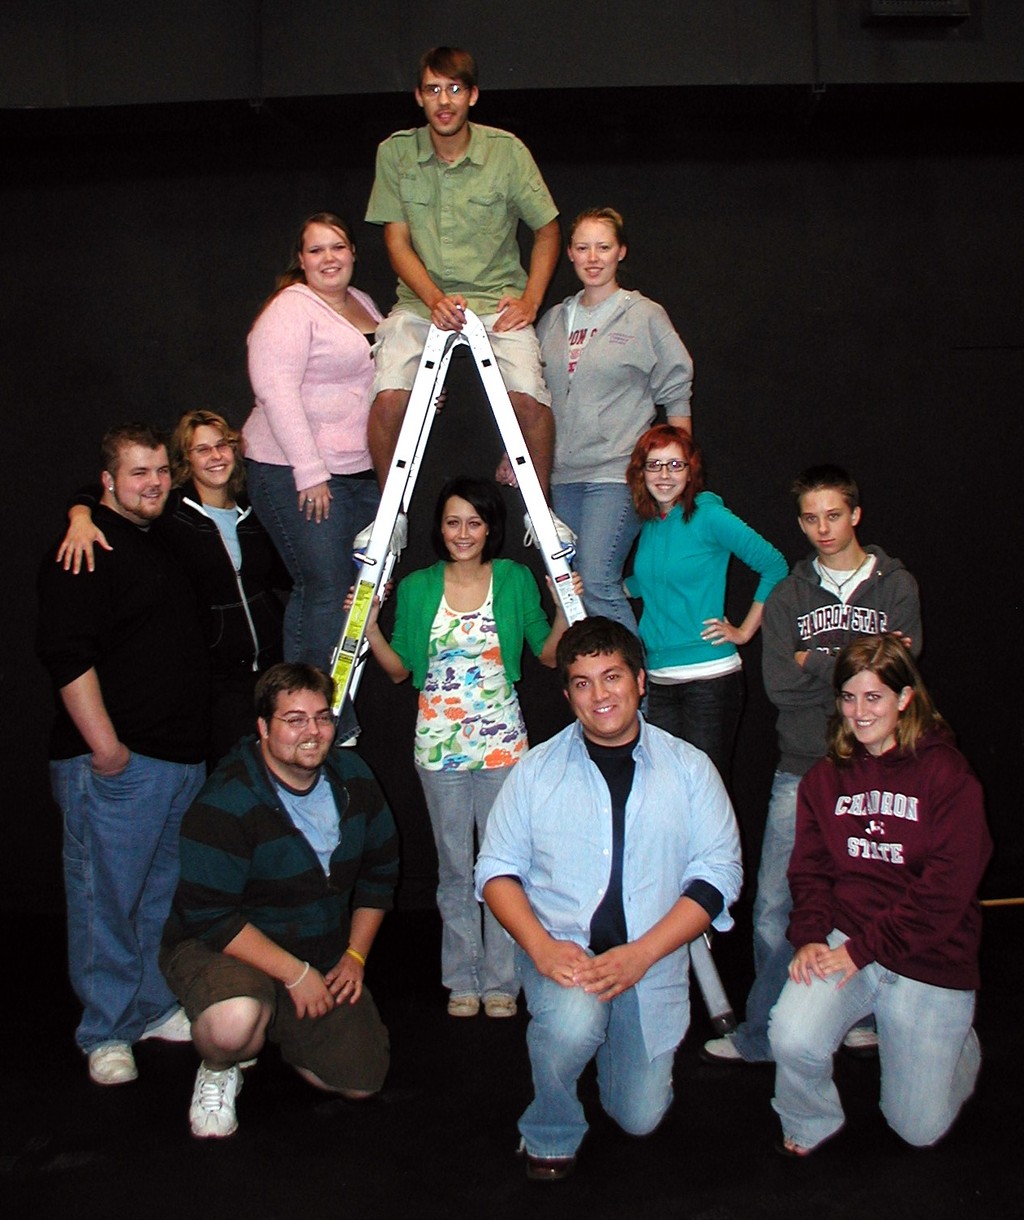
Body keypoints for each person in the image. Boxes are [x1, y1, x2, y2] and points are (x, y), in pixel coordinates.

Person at [476, 618, 742, 1180]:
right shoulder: (535, 771)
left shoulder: (691, 770)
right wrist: (542, 948)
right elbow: (495, 870)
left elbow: (719, 875)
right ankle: (550, 1122)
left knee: (639, 1117)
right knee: (572, 1024)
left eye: (613, 677)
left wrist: (642, 954)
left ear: (641, 681)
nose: (600, 695)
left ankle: (606, 1041)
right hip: (565, 955)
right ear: (569, 692)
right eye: (582, 682)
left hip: (649, 961)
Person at [702, 464, 922, 1065]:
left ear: (855, 514)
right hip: (802, 766)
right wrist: (858, 667)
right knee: (774, 901)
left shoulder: (897, 584)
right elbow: (780, 685)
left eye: (833, 515)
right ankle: (770, 1027)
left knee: (871, 894)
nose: (822, 529)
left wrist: (817, 657)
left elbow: (903, 672)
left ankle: (854, 1012)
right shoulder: (789, 594)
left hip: (880, 771)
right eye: (809, 518)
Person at [357, 477, 580, 1019]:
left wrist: (561, 606)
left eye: (474, 523)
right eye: (453, 522)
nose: (463, 533)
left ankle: (503, 979)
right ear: (439, 527)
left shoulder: (513, 578)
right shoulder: (415, 587)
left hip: (504, 747)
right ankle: (462, 978)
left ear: (490, 528)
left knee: (505, 867)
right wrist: (368, 628)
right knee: (456, 869)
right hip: (438, 750)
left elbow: (548, 657)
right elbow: (399, 669)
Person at [769, 635, 990, 1155]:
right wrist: (808, 937)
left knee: (916, 1128)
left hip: (928, 952)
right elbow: (811, 871)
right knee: (791, 1034)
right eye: (849, 697)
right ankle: (809, 1120)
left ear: (905, 698)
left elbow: (944, 893)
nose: (859, 711)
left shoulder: (947, 774)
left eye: (874, 697)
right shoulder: (824, 779)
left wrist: (861, 950)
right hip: (849, 939)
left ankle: (959, 1045)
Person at [37, 423, 210, 1086]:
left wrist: (81, 502)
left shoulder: (158, 535)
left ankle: (151, 1006)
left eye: (162, 470)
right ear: (110, 480)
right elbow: (66, 654)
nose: (155, 483)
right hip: (116, 764)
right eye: (139, 473)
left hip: (178, 759)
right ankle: (104, 1030)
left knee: (158, 897)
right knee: (105, 898)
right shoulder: (83, 549)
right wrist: (104, 747)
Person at [160, 662, 399, 1139]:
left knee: (361, 1079)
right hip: (223, 947)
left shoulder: (354, 779)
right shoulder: (226, 799)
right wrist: (295, 974)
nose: (312, 732)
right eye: (294, 720)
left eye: (322, 717)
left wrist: (353, 956)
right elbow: (211, 918)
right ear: (264, 729)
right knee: (234, 1022)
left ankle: (273, 1023)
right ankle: (220, 1060)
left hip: (316, 949)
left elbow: (379, 875)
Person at [364, 46, 563, 506]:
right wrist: (433, 298)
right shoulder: (395, 153)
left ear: (472, 95)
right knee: (388, 401)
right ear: (419, 97)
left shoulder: (506, 152)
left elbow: (548, 230)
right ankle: (390, 514)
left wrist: (531, 300)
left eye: (454, 89)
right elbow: (397, 242)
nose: (444, 100)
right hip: (420, 303)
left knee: (529, 402)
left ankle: (541, 509)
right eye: (433, 90)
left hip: (495, 303)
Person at [56, 409, 286, 764]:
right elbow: (103, 489)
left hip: (270, 674)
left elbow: (286, 573)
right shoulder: (169, 512)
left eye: (222, 445)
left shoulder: (256, 510)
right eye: (202, 450)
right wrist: (80, 515)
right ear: (185, 461)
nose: (215, 456)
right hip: (215, 682)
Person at [536, 208, 694, 631]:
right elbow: (533, 399)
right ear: (569, 253)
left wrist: (679, 477)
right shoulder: (551, 320)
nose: (593, 257)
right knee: (571, 587)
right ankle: (595, 692)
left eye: (603, 247)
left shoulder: (644, 315)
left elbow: (676, 392)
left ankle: (638, 697)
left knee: (600, 581)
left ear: (620, 252)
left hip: (617, 472)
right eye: (583, 247)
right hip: (562, 477)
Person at [243, 211, 383, 670]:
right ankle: (306, 715)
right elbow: (274, 389)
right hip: (296, 471)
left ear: (353, 254)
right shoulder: (291, 307)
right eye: (316, 249)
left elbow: (374, 374)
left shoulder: (362, 301)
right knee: (324, 586)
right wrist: (310, 472)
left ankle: (336, 707)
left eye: (338, 247)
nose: (329, 258)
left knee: (355, 591)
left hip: (357, 470)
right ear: (301, 260)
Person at [624, 425, 787, 787]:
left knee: (707, 794)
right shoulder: (652, 524)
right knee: (667, 793)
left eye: (675, 465)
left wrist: (744, 631)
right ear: (641, 471)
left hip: (709, 680)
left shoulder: (709, 517)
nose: (664, 476)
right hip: (659, 681)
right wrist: (603, 587)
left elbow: (774, 565)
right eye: (655, 465)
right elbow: (649, 581)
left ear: (690, 470)